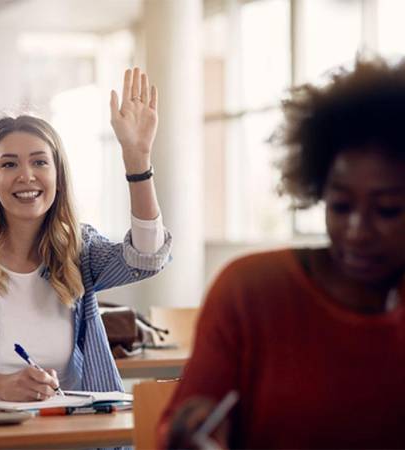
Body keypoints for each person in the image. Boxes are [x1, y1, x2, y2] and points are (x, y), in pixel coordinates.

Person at [160, 56, 405, 449]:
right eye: (340, 206)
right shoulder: (251, 292)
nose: (357, 231)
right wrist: (191, 429)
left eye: (388, 210)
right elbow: (181, 423)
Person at [0, 67, 172, 404]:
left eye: (40, 162)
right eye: (9, 164)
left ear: (57, 176)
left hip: (76, 432)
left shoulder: (79, 247)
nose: (26, 176)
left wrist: (137, 161)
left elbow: (147, 257)